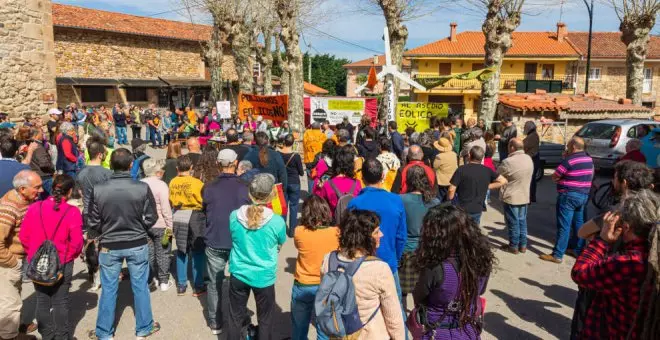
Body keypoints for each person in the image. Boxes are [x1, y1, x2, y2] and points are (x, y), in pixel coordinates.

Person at [86, 148, 159, 339]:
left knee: (109, 288)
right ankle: (144, 327)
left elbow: (92, 221)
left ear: (110, 165)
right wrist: (140, 226)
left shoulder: (99, 189)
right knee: (140, 286)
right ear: (130, 165)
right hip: (136, 241)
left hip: (110, 244)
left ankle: (104, 332)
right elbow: (152, 216)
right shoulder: (141, 187)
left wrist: (103, 232)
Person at [571, 190, 659, 339]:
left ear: (626, 226)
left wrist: (602, 241)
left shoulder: (629, 264)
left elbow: (579, 273)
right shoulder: (650, 255)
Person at [320, 210, 405, 339]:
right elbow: (393, 318)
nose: (381, 235)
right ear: (364, 237)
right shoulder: (379, 269)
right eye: (376, 232)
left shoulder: (328, 260)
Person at [413, 204, 494, 339]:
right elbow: (481, 290)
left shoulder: (435, 267)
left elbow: (419, 298)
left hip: (437, 332)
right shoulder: (481, 259)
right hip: (469, 331)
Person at [19, 174, 83, 340]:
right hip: (62, 262)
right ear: (69, 192)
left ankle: (47, 335)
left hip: (38, 261)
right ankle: (62, 336)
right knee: (60, 301)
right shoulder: (72, 212)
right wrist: (67, 257)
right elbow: (77, 243)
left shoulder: (35, 207)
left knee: (42, 300)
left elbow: (24, 236)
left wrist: (33, 253)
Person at [227, 174, 287, 340]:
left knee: (235, 317)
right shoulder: (276, 221)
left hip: (239, 272)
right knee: (265, 319)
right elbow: (281, 241)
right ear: (271, 195)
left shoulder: (234, 216)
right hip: (263, 275)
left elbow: (233, 237)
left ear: (250, 193)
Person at [202, 149, 251, 335]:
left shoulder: (209, 187)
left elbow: (205, 210)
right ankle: (238, 317)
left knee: (214, 283)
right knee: (239, 282)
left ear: (218, 163)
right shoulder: (244, 186)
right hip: (238, 241)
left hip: (215, 239)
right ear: (236, 162)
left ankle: (215, 321)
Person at [347, 159, 407, 304]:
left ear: (362, 178)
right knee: (395, 309)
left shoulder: (355, 203)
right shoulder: (396, 200)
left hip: (362, 263)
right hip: (389, 261)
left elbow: (350, 237)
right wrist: (395, 258)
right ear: (382, 176)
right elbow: (401, 236)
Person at [0, 170, 42, 340]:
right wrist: (13, 262)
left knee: (14, 295)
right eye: (36, 187)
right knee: (11, 303)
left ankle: (14, 328)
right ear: (23, 189)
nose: (40, 190)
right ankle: (8, 336)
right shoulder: (8, 208)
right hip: (6, 263)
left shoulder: (25, 201)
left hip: (16, 260)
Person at [290, 196, 339, 340]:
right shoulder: (336, 233)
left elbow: (298, 247)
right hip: (327, 284)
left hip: (303, 283)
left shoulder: (299, 231)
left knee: (299, 327)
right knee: (323, 329)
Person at [540, 137, 594, 264]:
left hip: (569, 195)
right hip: (583, 195)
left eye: (569, 145)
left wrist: (564, 163)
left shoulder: (570, 160)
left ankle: (557, 254)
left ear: (574, 147)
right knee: (579, 223)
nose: (567, 148)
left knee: (564, 225)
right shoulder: (588, 158)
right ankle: (577, 249)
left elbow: (555, 176)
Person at [398, 166, 440, 310]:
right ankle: (420, 319)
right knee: (424, 290)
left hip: (406, 252)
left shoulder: (400, 200)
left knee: (402, 291)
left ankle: (403, 318)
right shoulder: (434, 202)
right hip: (426, 251)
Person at [168, 155, 207, 296]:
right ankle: (198, 284)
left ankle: (182, 285)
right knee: (197, 251)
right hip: (196, 215)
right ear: (191, 168)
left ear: (177, 168)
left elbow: (171, 199)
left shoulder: (173, 182)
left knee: (181, 250)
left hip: (179, 214)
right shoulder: (197, 182)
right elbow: (203, 199)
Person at [448, 146, 507, 225]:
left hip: (462, 208)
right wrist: (487, 186)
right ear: (482, 157)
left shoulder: (461, 170)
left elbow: (451, 189)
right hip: (477, 208)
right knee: (474, 231)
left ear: (469, 155)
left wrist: (450, 200)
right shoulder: (487, 170)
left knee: (461, 231)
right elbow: (503, 181)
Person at [140, 159, 174, 292]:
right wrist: (170, 225)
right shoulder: (162, 185)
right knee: (164, 252)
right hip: (161, 224)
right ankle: (164, 281)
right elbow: (166, 208)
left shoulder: (139, 184)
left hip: (144, 224)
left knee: (148, 253)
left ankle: (150, 279)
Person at [498, 139, 534, 254]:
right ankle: (523, 245)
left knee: (513, 222)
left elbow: (498, 174)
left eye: (509, 146)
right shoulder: (528, 158)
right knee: (522, 221)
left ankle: (513, 246)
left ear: (512, 147)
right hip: (524, 195)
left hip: (512, 196)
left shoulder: (508, 161)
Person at [316, 145, 363, 218]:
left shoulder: (328, 184)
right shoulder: (357, 183)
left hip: (334, 223)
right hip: (352, 224)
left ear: (335, 164)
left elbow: (322, 207)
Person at [77, 139, 112, 217]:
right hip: (102, 213)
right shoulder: (108, 173)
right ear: (100, 155)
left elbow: (81, 193)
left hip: (86, 212)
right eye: (104, 153)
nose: (105, 155)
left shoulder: (80, 172)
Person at [278, 134, 304, 235]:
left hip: (283, 182)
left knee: (283, 207)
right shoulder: (296, 156)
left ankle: (282, 230)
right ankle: (292, 230)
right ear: (293, 143)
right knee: (294, 206)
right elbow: (301, 172)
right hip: (294, 183)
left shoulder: (278, 154)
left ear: (284, 142)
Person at [303, 121, 327, 191]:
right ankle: (318, 194)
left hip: (309, 160)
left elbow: (304, 144)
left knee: (310, 178)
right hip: (319, 160)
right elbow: (325, 147)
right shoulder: (322, 135)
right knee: (320, 177)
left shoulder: (306, 133)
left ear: (311, 127)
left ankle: (311, 195)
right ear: (319, 127)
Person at [432, 137, 458, 202]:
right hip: (453, 179)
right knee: (450, 197)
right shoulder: (454, 154)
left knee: (441, 197)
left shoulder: (439, 156)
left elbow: (434, 166)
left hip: (442, 181)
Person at [523, 121, 540, 203]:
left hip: (532, 159)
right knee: (531, 180)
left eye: (525, 127)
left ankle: (530, 198)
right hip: (532, 158)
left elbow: (524, 145)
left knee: (530, 180)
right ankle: (531, 197)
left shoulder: (532, 136)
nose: (524, 128)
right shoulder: (532, 135)